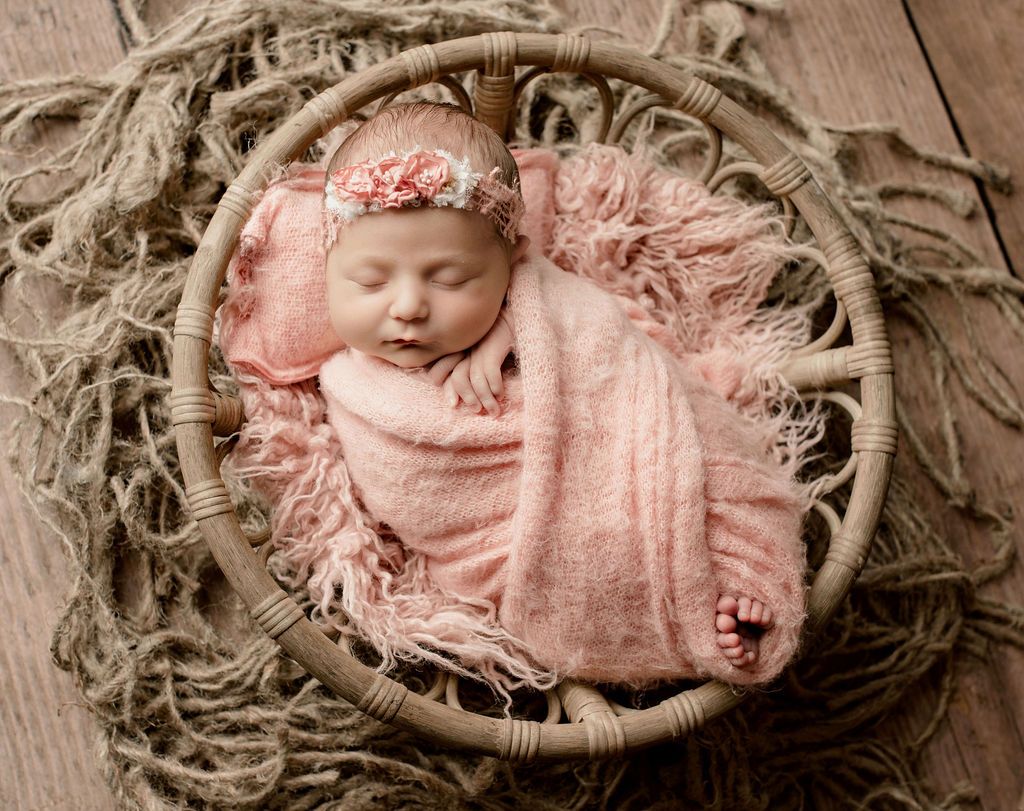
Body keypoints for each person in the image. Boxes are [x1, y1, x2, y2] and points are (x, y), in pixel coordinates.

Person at [318, 101, 792, 680]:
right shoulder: (356, 390)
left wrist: (519, 323)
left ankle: (727, 576)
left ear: (512, 262)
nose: (410, 306)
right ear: (328, 268)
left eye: (452, 279)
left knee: (703, 464)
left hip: (637, 458)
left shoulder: (544, 296)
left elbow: (614, 350)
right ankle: (674, 598)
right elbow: (418, 500)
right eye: (370, 281)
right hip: (517, 547)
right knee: (570, 564)